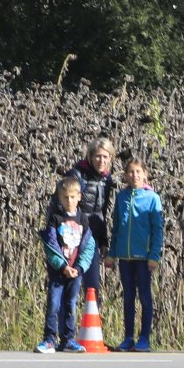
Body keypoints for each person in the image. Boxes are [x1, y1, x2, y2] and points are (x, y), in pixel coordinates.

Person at [106, 157, 164, 352]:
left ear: (145, 174)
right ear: (125, 175)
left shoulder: (152, 198)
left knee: (145, 296)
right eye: (131, 172)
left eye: (138, 171)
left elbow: (157, 230)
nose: (134, 175)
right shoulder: (121, 197)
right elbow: (116, 227)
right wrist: (112, 253)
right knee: (128, 297)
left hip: (144, 258)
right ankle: (128, 337)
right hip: (125, 257)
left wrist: (154, 256)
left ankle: (144, 338)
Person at [52, 138, 117, 302]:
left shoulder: (106, 180)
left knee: (92, 288)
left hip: (91, 239)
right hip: (71, 238)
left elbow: (101, 213)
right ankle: (65, 319)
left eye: (105, 157)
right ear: (90, 157)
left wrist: (103, 240)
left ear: (110, 158)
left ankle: (92, 318)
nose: (101, 161)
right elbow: (58, 205)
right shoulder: (76, 175)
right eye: (97, 156)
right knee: (68, 288)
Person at [36, 177, 96, 353]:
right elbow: (51, 245)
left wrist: (78, 268)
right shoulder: (55, 219)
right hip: (59, 271)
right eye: (65, 197)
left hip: (75, 271)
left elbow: (88, 246)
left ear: (79, 197)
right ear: (59, 198)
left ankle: (68, 339)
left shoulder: (83, 220)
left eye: (72, 197)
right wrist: (63, 267)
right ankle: (49, 339)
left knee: (71, 305)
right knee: (54, 304)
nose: (69, 201)